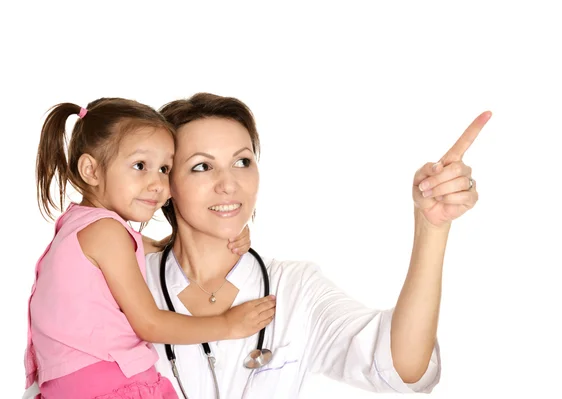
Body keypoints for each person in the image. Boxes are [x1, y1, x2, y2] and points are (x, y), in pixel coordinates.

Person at [144, 92, 491, 398]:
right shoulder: (126, 282)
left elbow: (403, 367)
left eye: (242, 162)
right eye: (202, 166)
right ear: (165, 180)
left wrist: (431, 226)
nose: (229, 184)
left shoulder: (294, 287)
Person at [24, 98, 275, 399]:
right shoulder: (106, 232)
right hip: (113, 385)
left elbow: (158, 247)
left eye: (165, 169)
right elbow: (150, 324)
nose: (158, 184)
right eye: (140, 166)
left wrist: (227, 238)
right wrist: (227, 325)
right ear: (91, 170)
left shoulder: (80, 225)